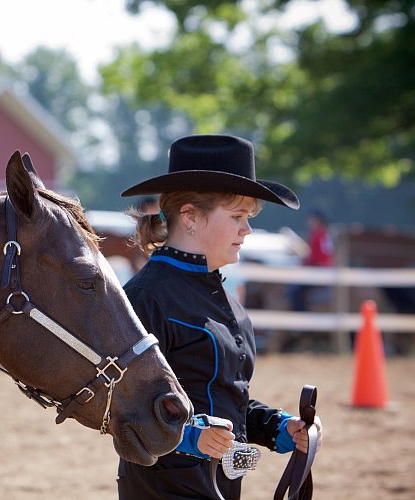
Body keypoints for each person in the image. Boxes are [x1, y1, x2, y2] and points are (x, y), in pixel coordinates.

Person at [116, 134, 323, 499]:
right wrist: (191, 437)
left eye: (248, 218)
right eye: (238, 217)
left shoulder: (225, 299)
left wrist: (277, 426)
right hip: (163, 488)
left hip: (219, 486)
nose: (247, 230)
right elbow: (120, 403)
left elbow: (224, 399)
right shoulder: (146, 297)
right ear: (191, 217)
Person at [289, 210, 335, 311]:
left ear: (317, 221)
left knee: (295, 292)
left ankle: (300, 317)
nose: (309, 222)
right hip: (326, 269)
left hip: (319, 271)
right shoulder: (326, 234)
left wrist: (303, 262)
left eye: (312, 220)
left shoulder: (317, 235)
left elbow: (314, 257)